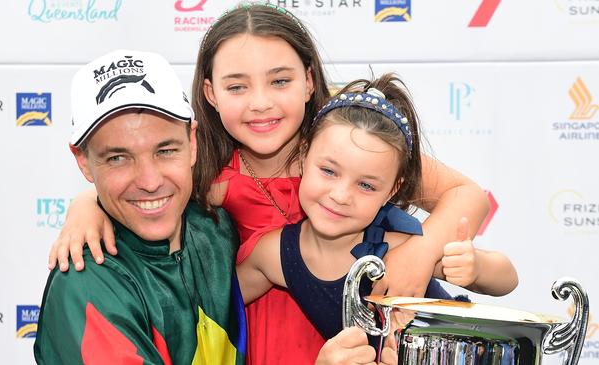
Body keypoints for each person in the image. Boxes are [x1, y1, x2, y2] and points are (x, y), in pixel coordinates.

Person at [47, 3, 491, 364]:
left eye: (279, 80)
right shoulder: (213, 180)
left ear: (309, 81)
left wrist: (422, 250)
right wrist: (85, 204)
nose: (261, 103)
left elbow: (467, 194)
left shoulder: (350, 152)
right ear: (210, 95)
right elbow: (145, 187)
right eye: (237, 87)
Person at [236, 75, 518, 342]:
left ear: (392, 191)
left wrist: (476, 268)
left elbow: (507, 279)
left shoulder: (396, 248)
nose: (341, 195)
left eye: (366, 186)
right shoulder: (276, 254)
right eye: (328, 171)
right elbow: (215, 307)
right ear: (303, 156)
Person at [33, 49, 248, 365]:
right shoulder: (85, 283)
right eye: (117, 158)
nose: (149, 181)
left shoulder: (217, 225)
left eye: (165, 150)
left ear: (192, 142)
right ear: (83, 161)